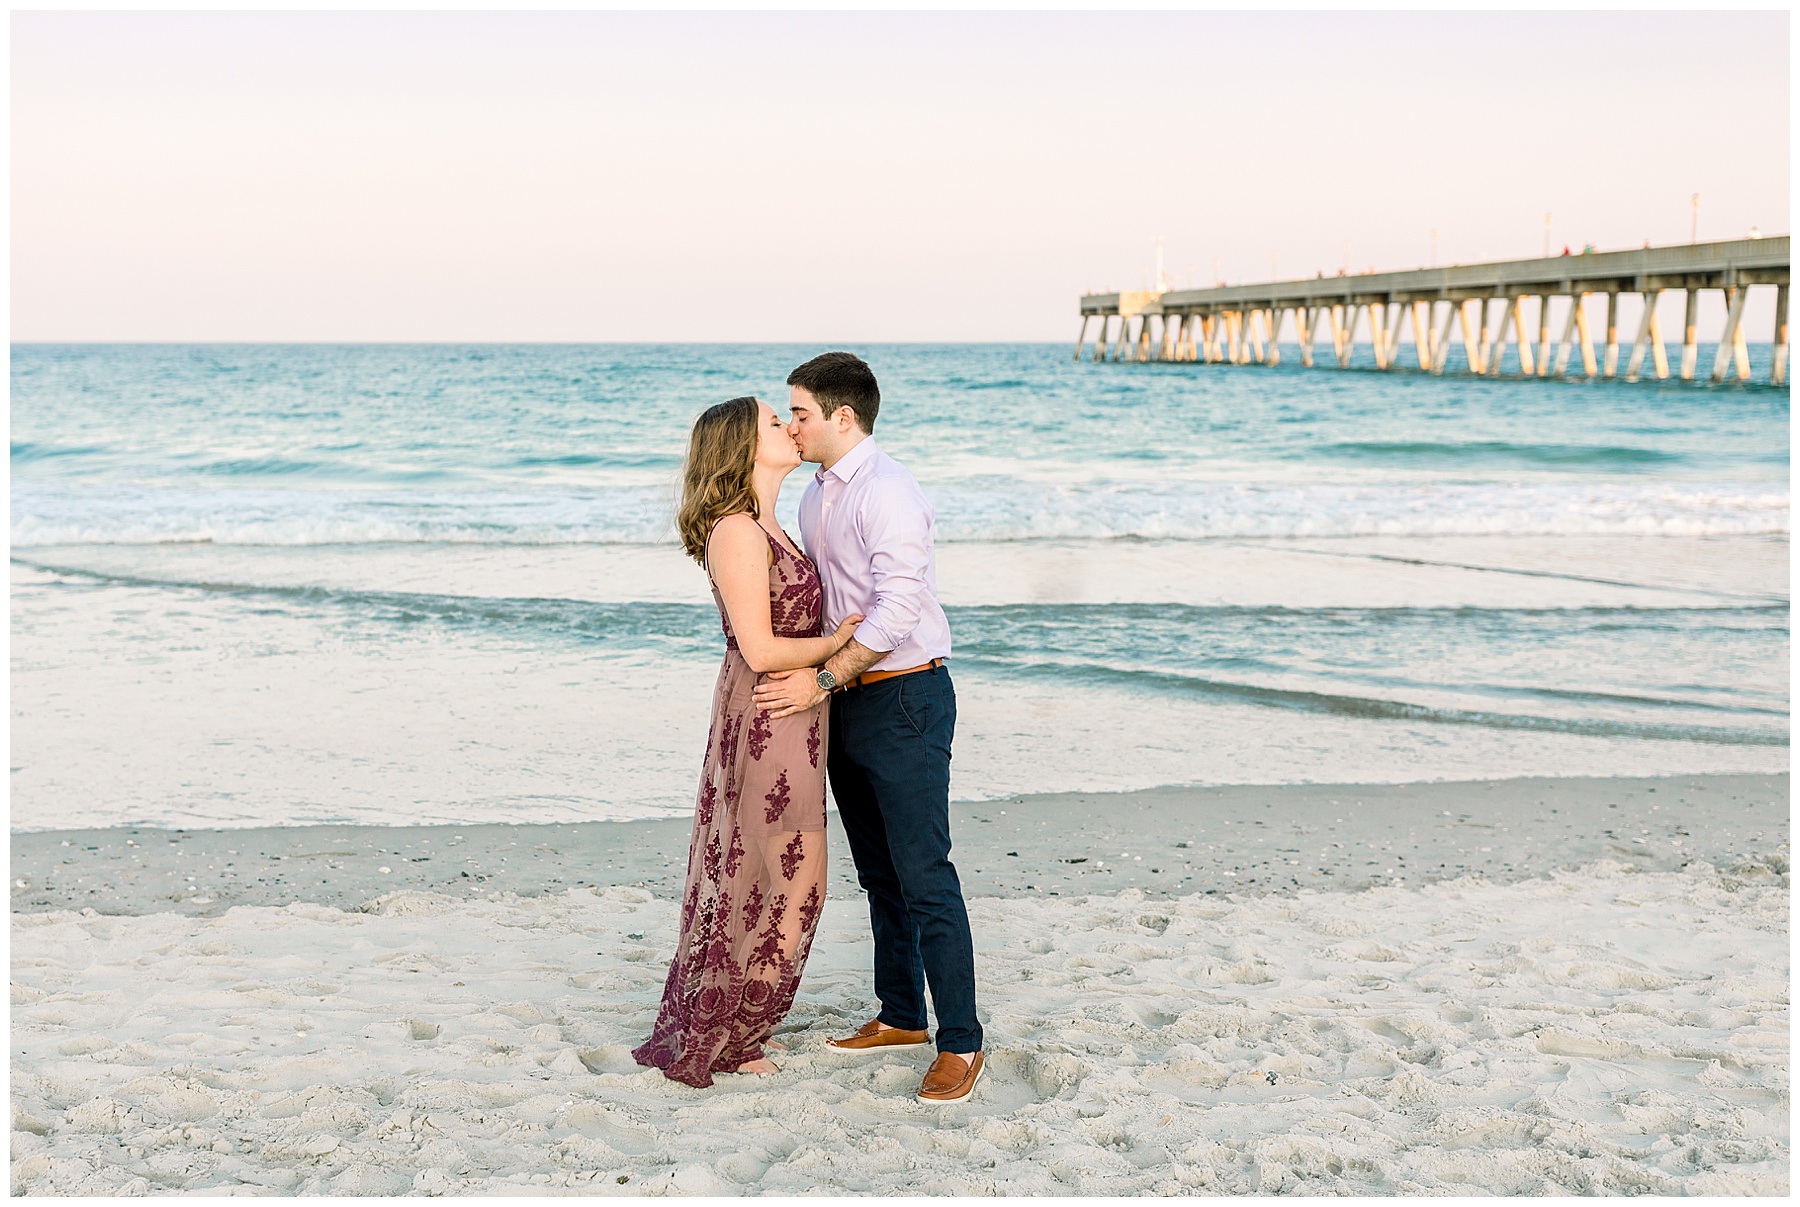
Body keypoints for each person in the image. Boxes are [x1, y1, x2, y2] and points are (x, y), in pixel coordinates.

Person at [752, 352, 986, 1105]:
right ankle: (900, 1015)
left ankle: (962, 1040)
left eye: (802, 412)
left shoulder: (887, 490)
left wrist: (823, 674)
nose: (792, 424)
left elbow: (899, 608)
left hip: (907, 696)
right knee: (879, 875)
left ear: (842, 417)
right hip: (849, 698)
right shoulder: (818, 496)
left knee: (926, 876)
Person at [633, 396, 863, 1088]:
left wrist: (824, 675)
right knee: (775, 874)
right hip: (766, 712)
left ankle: (738, 1026)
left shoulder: (776, 525)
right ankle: (727, 1034)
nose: (791, 428)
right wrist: (841, 645)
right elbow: (761, 649)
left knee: (783, 877)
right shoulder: (737, 530)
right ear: (740, 446)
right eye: (773, 421)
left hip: (796, 711)